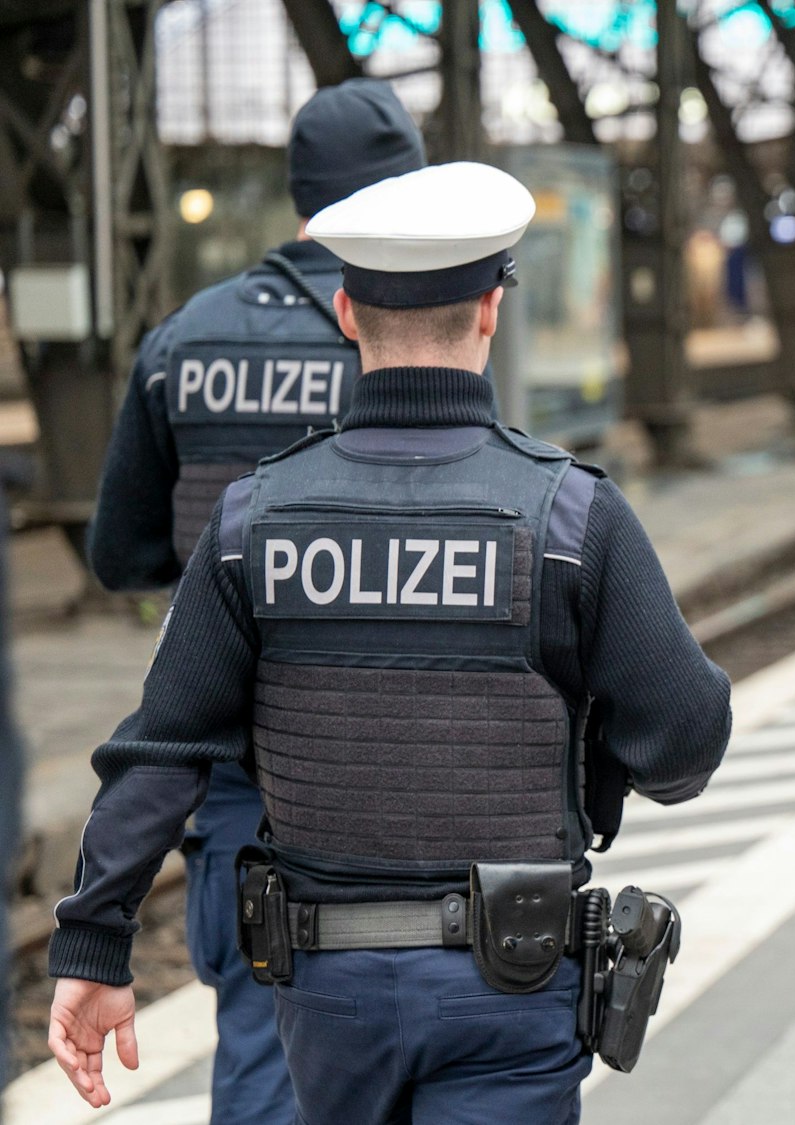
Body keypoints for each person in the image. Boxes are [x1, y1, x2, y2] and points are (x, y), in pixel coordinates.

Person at [46, 161, 733, 1122]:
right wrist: (592, 765)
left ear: (345, 315)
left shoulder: (256, 521)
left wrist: (92, 944)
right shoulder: (572, 517)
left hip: (329, 997)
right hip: (516, 979)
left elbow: (162, 748)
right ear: (491, 311)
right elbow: (687, 740)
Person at [81, 76, 426, 1124]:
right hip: (396, 773)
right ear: (406, 192)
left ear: (298, 195)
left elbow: (120, 551)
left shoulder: (184, 340)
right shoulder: (417, 332)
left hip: (235, 774)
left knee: (264, 1058)